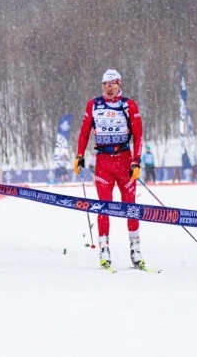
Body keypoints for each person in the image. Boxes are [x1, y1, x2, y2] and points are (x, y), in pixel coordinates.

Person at [74, 69, 145, 270]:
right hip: (103, 163)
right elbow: (84, 132)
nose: (109, 87)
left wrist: (136, 161)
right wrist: (79, 156)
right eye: (106, 84)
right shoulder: (94, 105)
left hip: (124, 162)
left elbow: (138, 135)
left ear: (119, 84)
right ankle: (104, 248)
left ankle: (135, 248)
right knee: (103, 206)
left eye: (113, 83)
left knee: (130, 206)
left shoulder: (128, 105)